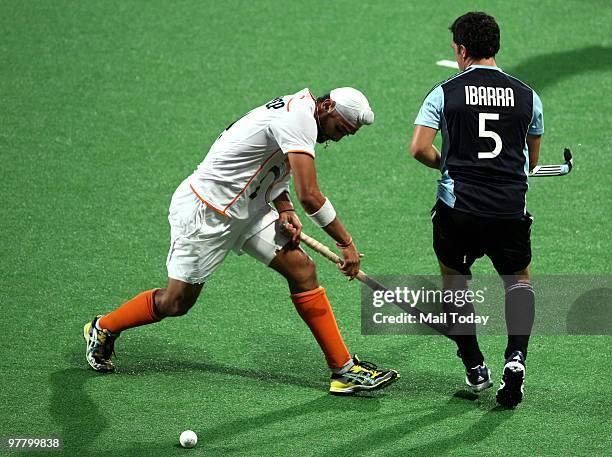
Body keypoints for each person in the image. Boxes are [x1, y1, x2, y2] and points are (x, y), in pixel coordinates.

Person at [84, 87, 399, 395]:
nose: (339, 137)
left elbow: (276, 164)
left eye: (348, 134)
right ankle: (103, 327)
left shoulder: (304, 114)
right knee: (176, 303)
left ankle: (343, 370)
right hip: (207, 213)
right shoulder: (298, 119)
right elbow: (311, 196)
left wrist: (284, 207)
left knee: (303, 271)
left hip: (249, 208)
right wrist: (346, 243)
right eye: (341, 129)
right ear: (328, 106)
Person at [409, 12, 544, 407]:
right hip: (508, 210)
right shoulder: (528, 96)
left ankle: (473, 363)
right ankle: (515, 358)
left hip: (459, 211)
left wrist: (446, 163)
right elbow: (530, 163)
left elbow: (419, 148)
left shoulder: (444, 92)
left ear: (462, 50)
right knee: (519, 283)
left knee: (455, 280)